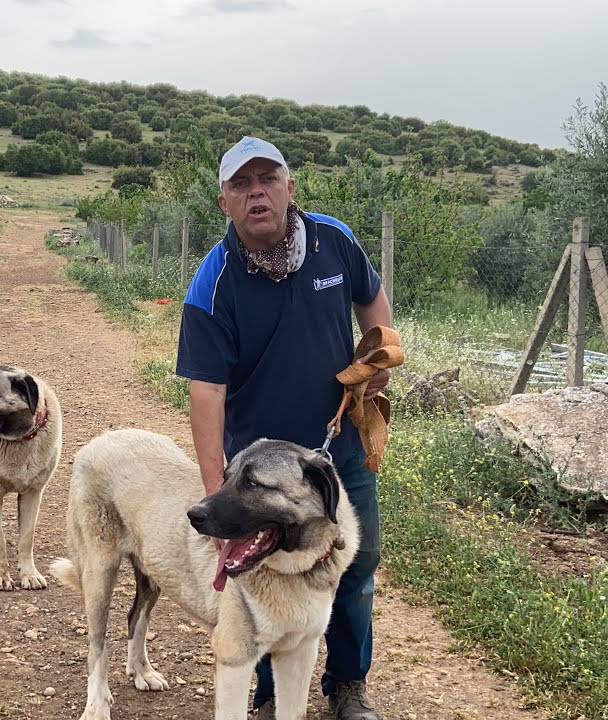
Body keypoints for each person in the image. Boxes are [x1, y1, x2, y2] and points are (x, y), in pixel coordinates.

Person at [175, 136, 393, 720]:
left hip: (336, 450)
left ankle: (347, 686)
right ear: (225, 202)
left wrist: (378, 362)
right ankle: (275, 695)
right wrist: (219, 495)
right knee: (268, 578)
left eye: (267, 179)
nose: (256, 194)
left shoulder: (334, 241)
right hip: (260, 474)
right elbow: (206, 392)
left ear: (289, 187)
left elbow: (373, 300)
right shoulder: (213, 283)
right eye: (241, 186)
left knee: (354, 565)